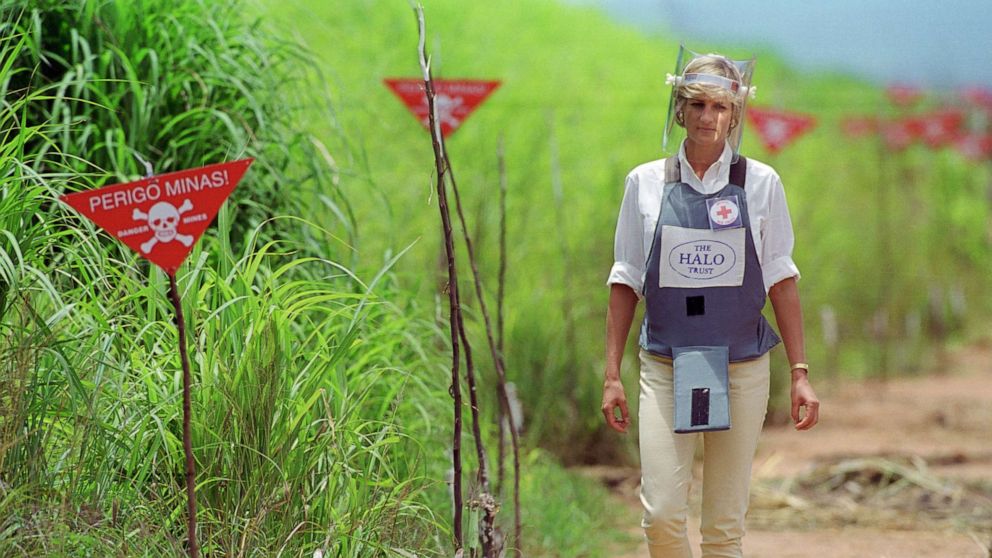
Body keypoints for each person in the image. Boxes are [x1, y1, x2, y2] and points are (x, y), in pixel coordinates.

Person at [601, 48, 819, 558]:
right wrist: (612, 373)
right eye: (696, 104)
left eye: (719, 107)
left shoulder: (761, 184)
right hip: (665, 365)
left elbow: (781, 278)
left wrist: (800, 371)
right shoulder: (645, 184)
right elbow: (625, 279)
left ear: (735, 114)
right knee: (660, 516)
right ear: (680, 109)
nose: (707, 117)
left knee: (723, 529)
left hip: (741, 367)